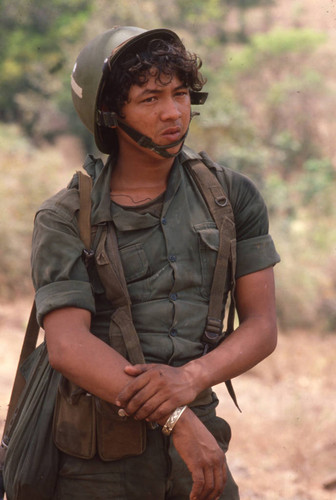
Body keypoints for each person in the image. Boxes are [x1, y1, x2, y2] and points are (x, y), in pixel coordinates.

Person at [31, 26, 280, 500]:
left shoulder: (232, 196)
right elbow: (67, 345)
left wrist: (191, 379)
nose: (172, 111)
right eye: (149, 99)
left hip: (202, 447)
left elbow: (262, 326)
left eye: (180, 93)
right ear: (109, 113)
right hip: (99, 463)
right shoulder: (66, 216)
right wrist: (175, 418)